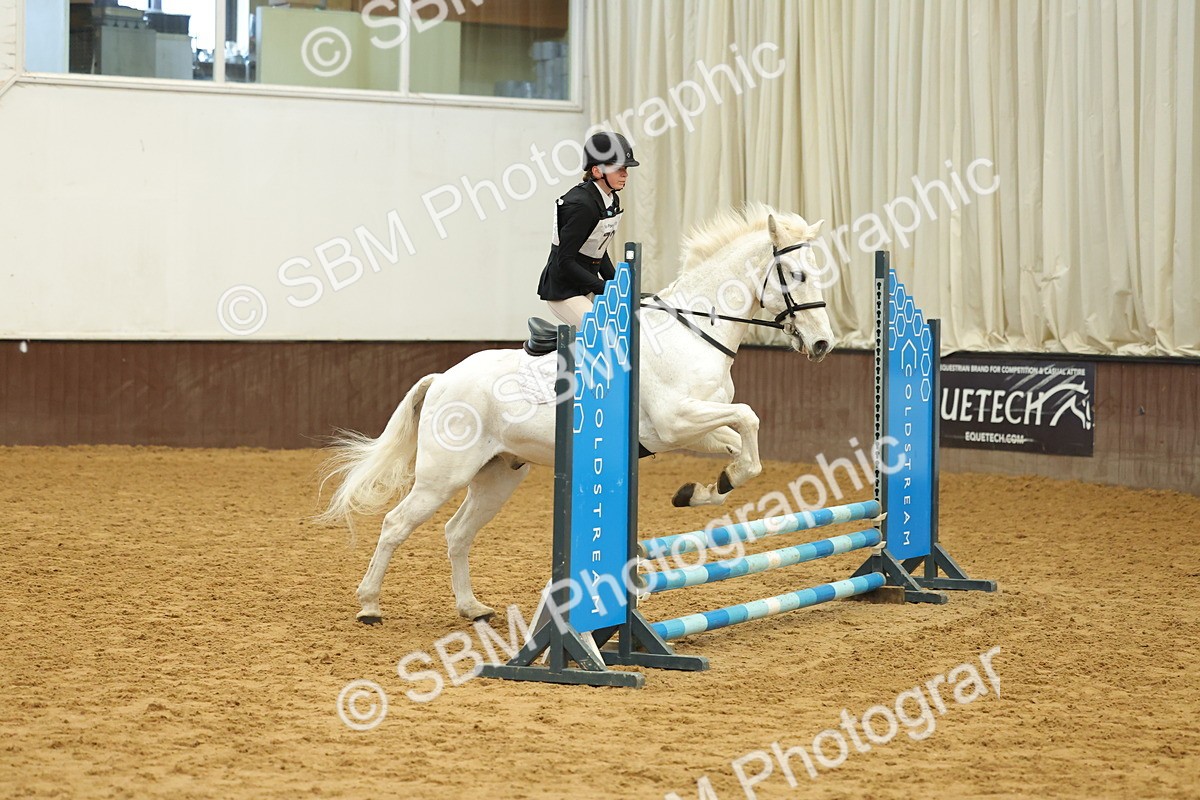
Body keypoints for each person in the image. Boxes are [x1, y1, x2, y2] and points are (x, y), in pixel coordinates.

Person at [536, 131, 639, 328]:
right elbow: (564, 261)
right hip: (564, 291)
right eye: (618, 168)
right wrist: (605, 287)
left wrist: (620, 287)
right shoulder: (581, 205)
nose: (625, 173)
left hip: (584, 286)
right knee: (601, 329)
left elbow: (597, 251)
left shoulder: (610, 199)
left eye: (625, 168)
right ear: (597, 171)